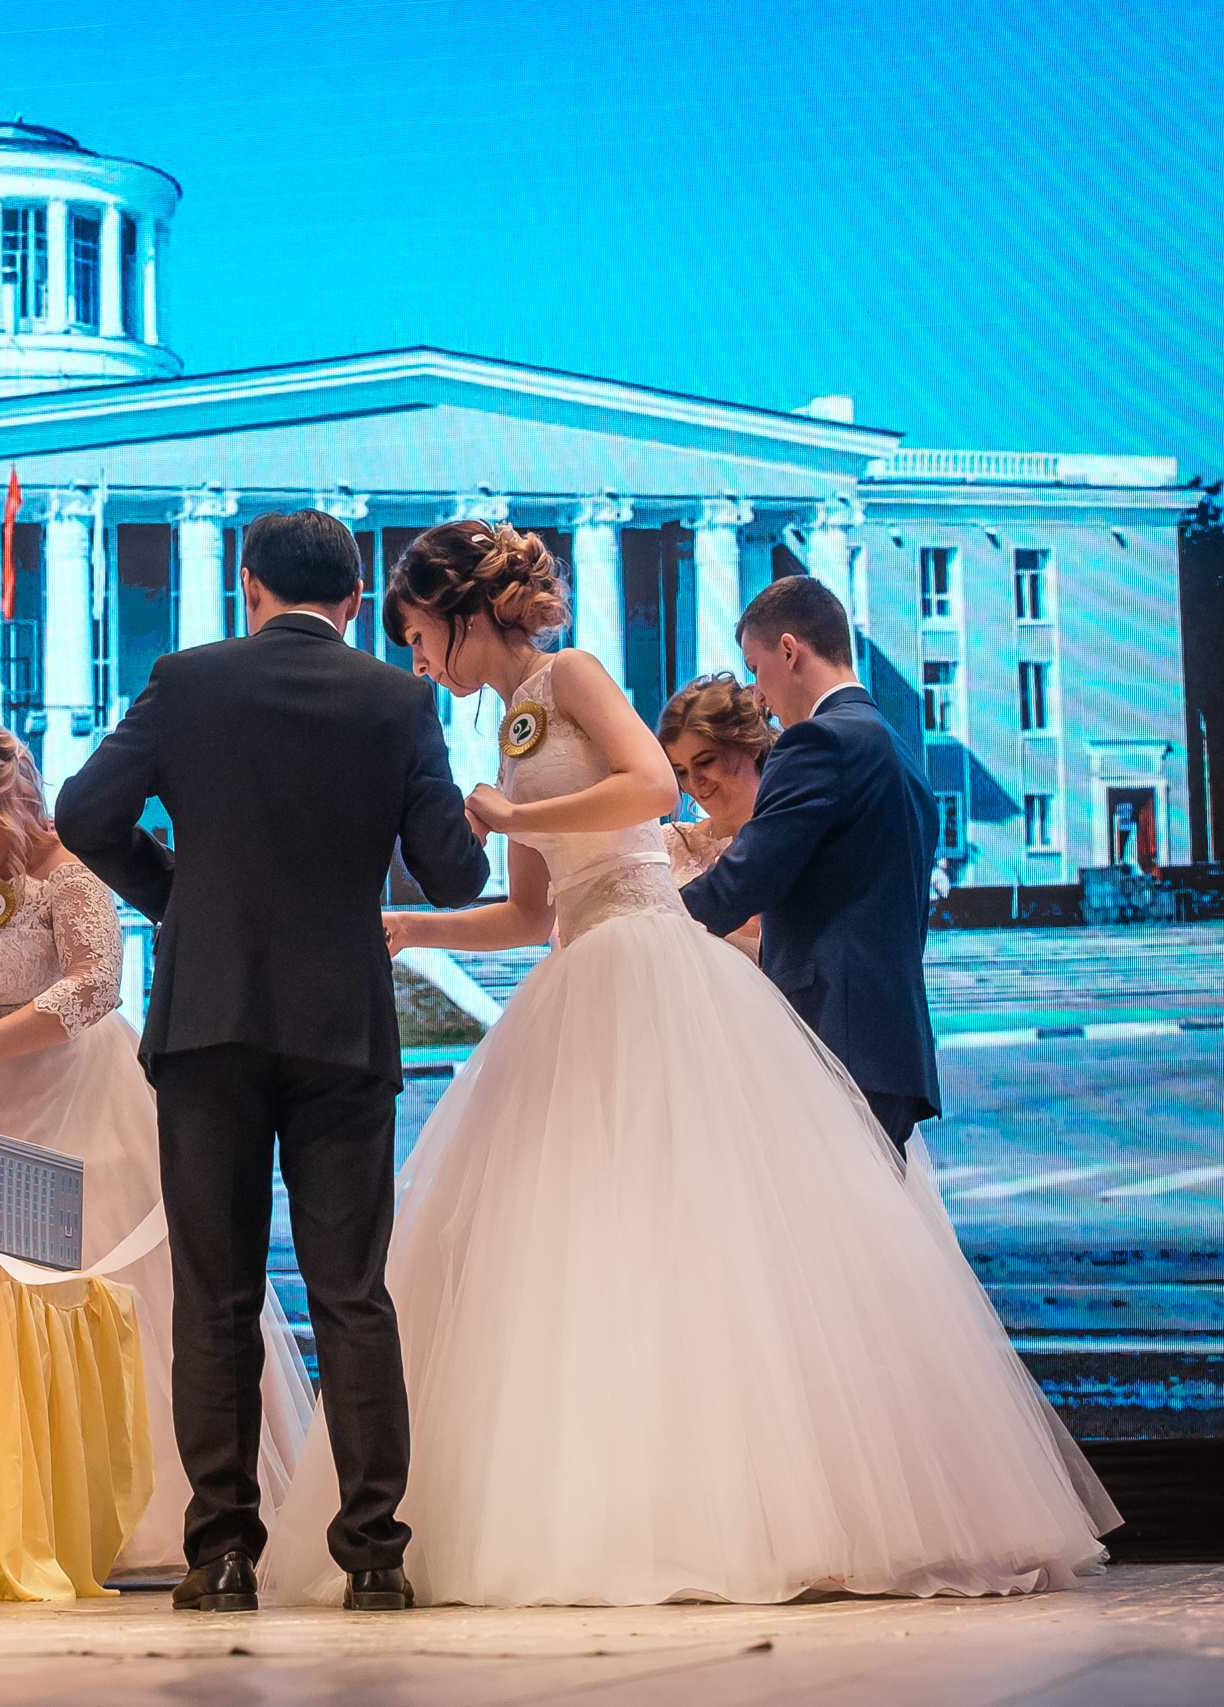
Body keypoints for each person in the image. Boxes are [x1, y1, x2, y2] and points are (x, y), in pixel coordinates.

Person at [263, 521, 1116, 1608]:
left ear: (468, 613)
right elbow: (534, 909)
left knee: (693, 1228)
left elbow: (645, 793)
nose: (422, 664)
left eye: (425, 638)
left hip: (647, 962)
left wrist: (518, 811)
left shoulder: (569, 674)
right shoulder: (506, 738)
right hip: (578, 968)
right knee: (573, 1243)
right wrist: (419, 929)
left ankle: (764, 1503)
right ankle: (604, 1497)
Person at [56, 510, 492, 1616]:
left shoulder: (185, 680)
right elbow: (447, 875)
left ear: (247, 585)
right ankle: (376, 1556)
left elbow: (83, 813)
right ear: (355, 602)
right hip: (343, 1029)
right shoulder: (399, 699)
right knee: (352, 1298)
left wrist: (181, 899)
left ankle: (221, 1556)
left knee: (215, 1297)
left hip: (207, 1024)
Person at [0, 711, 316, 1579]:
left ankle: (111, 1508)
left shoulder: (68, 870)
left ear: (13, 795)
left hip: (66, 1099)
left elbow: (94, 987)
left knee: (93, 1298)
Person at [679, 575, 945, 1155]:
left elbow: (744, 880)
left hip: (833, 1037)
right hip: (892, 1045)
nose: (759, 694)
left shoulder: (820, 742)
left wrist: (641, 912)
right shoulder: (899, 750)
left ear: (790, 650)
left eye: (756, 667)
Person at [655, 672, 772, 960]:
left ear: (750, 746)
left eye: (706, 761)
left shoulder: (788, 838)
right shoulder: (668, 843)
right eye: (681, 771)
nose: (694, 783)